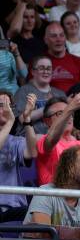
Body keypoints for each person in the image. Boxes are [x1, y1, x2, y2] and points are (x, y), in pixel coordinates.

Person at [0, 92, 37, 223]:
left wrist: (27, 119)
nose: (6, 110)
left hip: (14, 207)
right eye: (2, 105)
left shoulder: (16, 141)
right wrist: (11, 121)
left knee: (40, 212)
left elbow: (33, 153)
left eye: (10, 106)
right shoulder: (10, 122)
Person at [14, 56, 66, 136]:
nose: (46, 71)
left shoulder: (60, 94)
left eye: (49, 69)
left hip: (55, 138)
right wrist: (49, 107)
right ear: (33, 72)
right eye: (41, 68)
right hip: (28, 139)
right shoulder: (23, 91)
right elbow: (22, 119)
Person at [44, 22, 80, 93]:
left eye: (61, 35)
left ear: (65, 39)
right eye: (54, 36)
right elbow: (34, 90)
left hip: (76, 100)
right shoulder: (38, 62)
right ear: (46, 40)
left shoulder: (78, 61)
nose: (58, 39)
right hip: (50, 101)